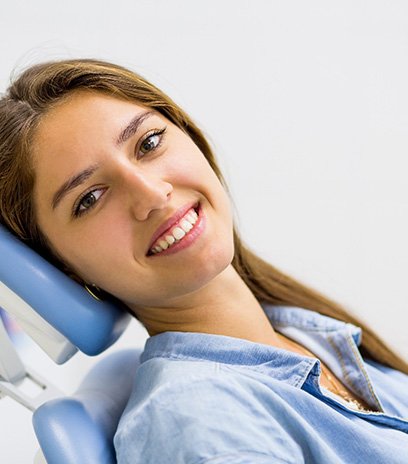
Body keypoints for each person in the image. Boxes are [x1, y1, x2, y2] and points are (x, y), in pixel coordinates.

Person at [0, 59, 407, 464]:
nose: (153, 195)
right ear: (64, 269)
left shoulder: (302, 334)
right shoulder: (204, 424)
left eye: (149, 143)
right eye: (89, 198)